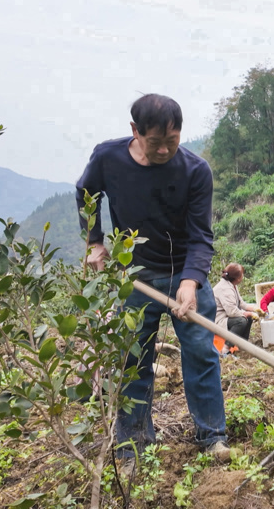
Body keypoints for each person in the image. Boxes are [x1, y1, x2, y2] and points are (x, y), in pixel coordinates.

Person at [76, 93, 230, 462]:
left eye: (172, 142)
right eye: (155, 143)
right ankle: (133, 444)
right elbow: (86, 193)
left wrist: (190, 283)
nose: (164, 151)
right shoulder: (107, 158)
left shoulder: (195, 171)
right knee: (133, 361)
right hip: (135, 277)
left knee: (201, 355)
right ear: (135, 131)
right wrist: (94, 241)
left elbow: (200, 237)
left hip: (184, 276)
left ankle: (212, 436)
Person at [213, 263, 262, 355]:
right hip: (219, 319)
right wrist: (249, 313)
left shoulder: (232, 285)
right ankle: (225, 349)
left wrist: (255, 309)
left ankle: (242, 345)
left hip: (227, 316)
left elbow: (241, 303)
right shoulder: (225, 289)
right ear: (238, 277)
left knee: (248, 318)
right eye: (242, 274)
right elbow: (232, 312)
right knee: (241, 321)